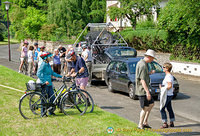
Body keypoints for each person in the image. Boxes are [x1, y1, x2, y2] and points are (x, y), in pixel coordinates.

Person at [135, 49, 156, 129]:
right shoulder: (142, 65)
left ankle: (145, 122)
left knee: (151, 104)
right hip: (142, 90)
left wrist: (149, 73)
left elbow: (143, 75)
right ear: (149, 57)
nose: (153, 60)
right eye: (152, 58)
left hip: (145, 89)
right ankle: (140, 125)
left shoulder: (144, 63)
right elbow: (142, 80)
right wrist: (147, 92)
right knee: (145, 107)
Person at [159, 62, 175, 128]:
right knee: (169, 108)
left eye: (164, 67)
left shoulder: (168, 76)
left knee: (162, 108)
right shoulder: (169, 76)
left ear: (167, 68)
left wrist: (162, 88)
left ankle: (165, 123)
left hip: (167, 94)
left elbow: (169, 86)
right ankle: (171, 122)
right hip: (169, 94)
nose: (163, 68)